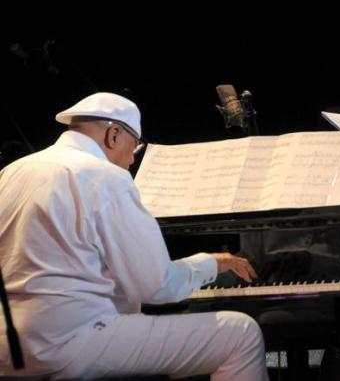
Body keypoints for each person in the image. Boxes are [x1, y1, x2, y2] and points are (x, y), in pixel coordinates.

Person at [0, 92, 269, 380]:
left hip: (9, 347)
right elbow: (156, 286)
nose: (131, 160)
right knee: (240, 333)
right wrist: (213, 263)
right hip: (71, 342)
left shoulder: (11, 172)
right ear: (114, 135)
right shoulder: (105, 177)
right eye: (135, 147)